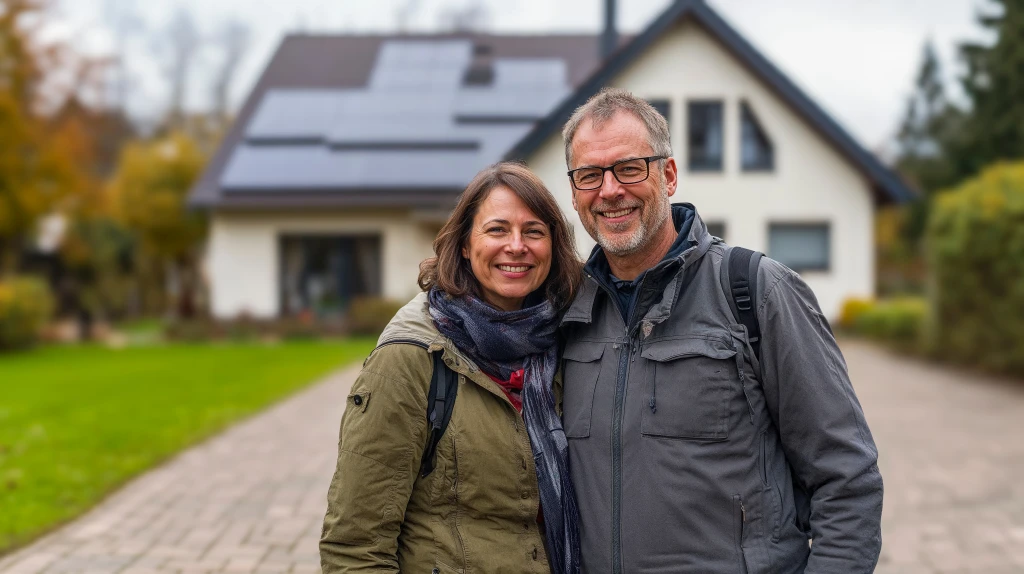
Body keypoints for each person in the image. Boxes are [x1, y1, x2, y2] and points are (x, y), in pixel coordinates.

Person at [557, 88, 883, 573]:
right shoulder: (567, 313)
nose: (609, 190)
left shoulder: (756, 291)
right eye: (590, 175)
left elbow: (847, 481)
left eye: (629, 168)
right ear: (575, 191)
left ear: (668, 175)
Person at [320, 162, 583, 574]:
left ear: (553, 245)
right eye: (497, 230)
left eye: (533, 231)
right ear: (463, 244)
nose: (516, 246)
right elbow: (354, 547)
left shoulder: (570, 344)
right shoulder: (411, 358)